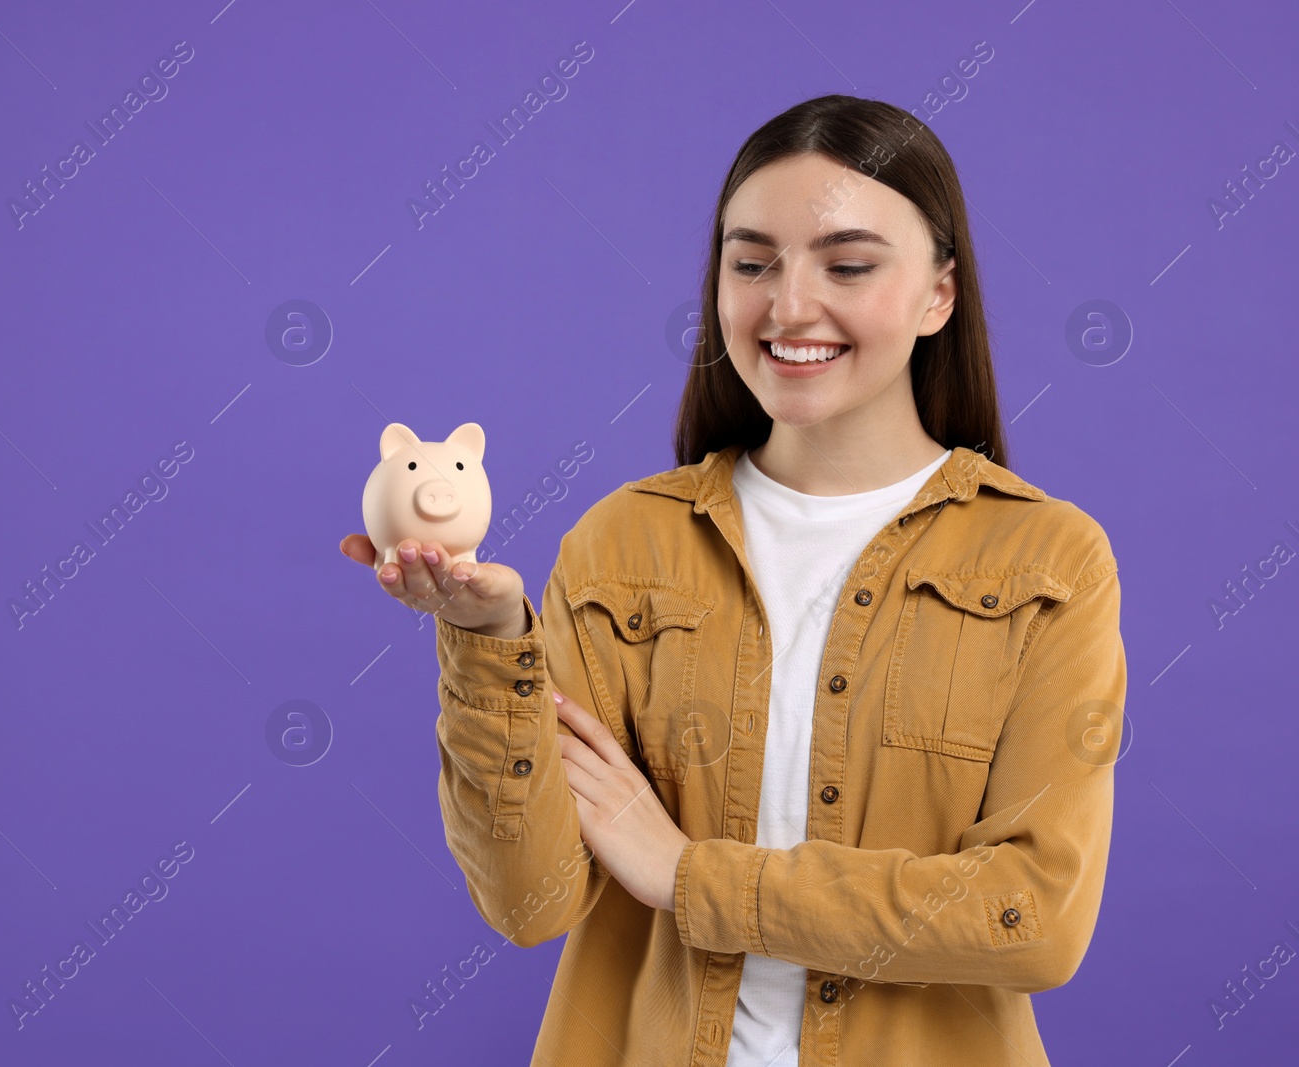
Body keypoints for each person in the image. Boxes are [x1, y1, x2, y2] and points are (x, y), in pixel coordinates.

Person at [340, 93, 1126, 1067]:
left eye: (846, 264)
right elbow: (531, 903)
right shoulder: (624, 543)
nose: (788, 305)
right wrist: (488, 640)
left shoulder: (1048, 559)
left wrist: (688, 874)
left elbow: (1033, 917)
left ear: (938, 294)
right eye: (751, 262)